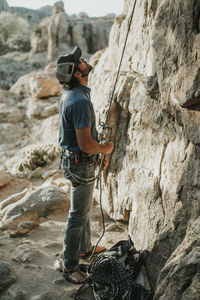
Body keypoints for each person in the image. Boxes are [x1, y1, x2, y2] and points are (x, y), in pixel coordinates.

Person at [54, 46, 114, 284]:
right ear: (77, 74)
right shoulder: (79, 100)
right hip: (81, 163)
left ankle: (85, 248)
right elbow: (86, 144)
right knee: (78, 215)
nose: (84, 60)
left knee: (83, 208)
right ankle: (70, 266)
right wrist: (105, 148)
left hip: (73, 161)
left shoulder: (72, 94)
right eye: (80, 61)